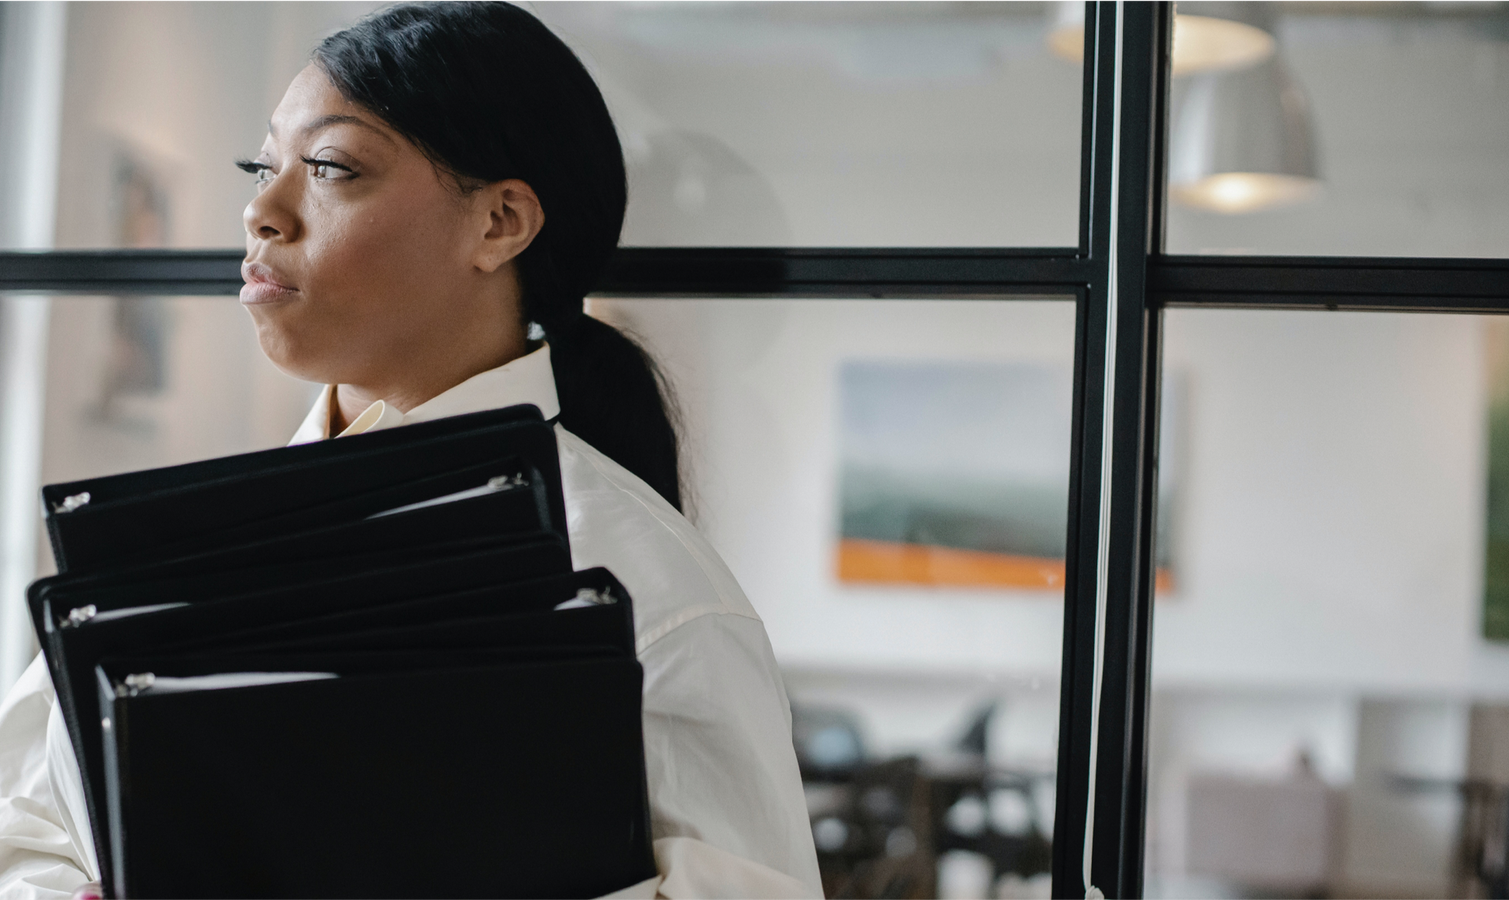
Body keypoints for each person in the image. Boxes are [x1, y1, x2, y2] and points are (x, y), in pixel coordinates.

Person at [0, 2, 822, 898]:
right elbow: (25, 825)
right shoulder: (180, 547)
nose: (262, 211)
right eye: (260, 165)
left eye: (329, 168)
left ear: (500, 222)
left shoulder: (653, 594)